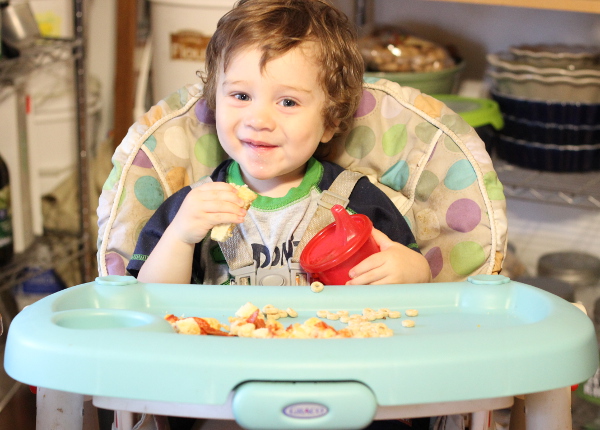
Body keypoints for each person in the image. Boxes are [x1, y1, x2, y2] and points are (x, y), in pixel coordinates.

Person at [127, 0, 431, 288]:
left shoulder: (358, 200)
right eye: (241, 96)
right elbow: (147, 299)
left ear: (331, 121)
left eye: (288, 101)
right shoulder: (191, 207)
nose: (259, 120)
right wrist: (180, 237)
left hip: (327, 339)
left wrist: (414, 271)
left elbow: (412, 273)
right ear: (214, 102)